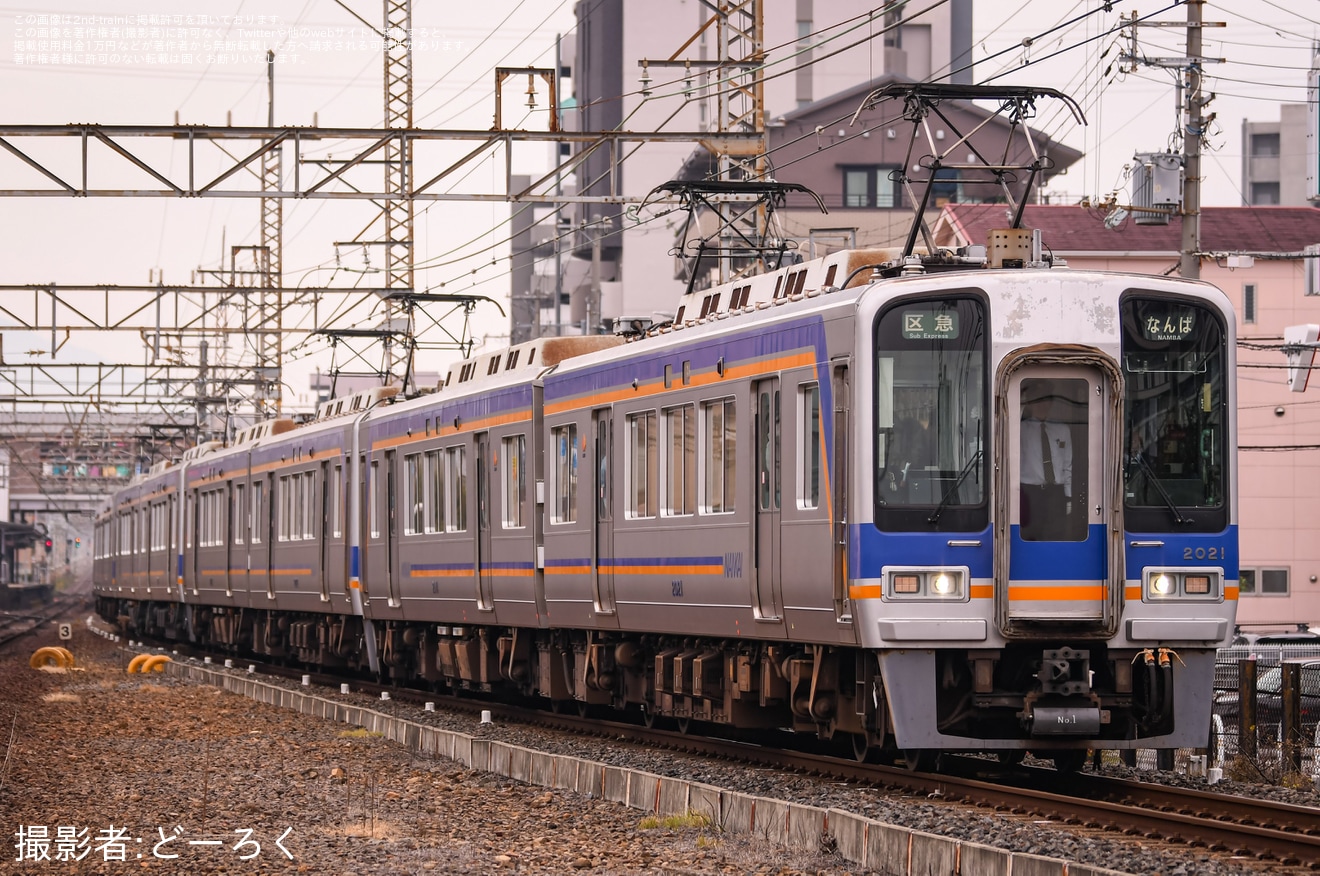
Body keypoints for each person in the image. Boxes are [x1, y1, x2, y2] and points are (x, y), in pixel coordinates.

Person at [1019, 391, 1077, 541]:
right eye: (1037, 401)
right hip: (1029, 493)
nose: (1042, 406)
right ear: (1030, 404)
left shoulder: (1062, 429)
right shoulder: (1019, 430)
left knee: (1056, 536)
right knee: (1029, 536)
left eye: (1045, 401)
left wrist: (1068, 496)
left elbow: (1067, 465)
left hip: (1056, 493)